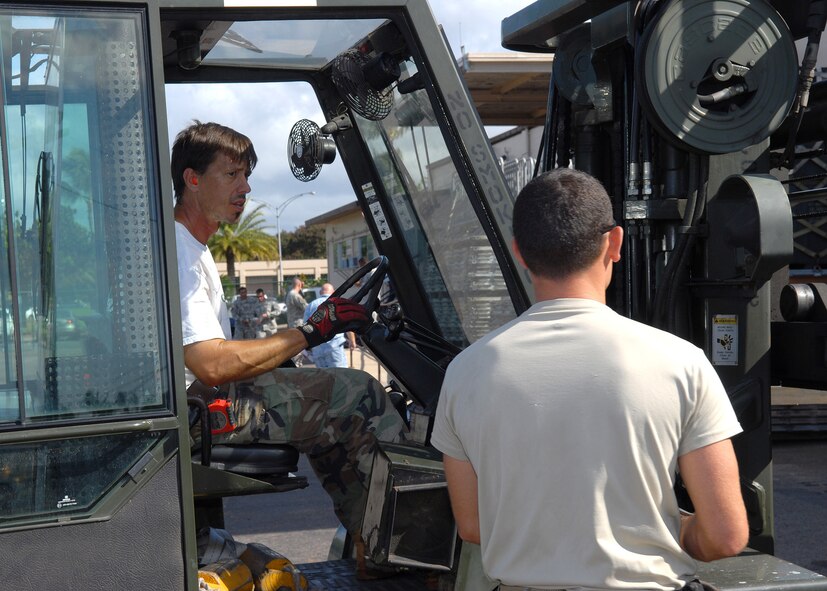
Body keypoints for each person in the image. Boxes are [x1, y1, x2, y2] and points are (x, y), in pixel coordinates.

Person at [431, 168, 748, 590]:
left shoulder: (465, 372)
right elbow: (726, 535)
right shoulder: (681, 363)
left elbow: (473, 525)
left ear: (520, 253)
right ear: (614, 243)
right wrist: (676, 530)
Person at [171, 121, 407, 574]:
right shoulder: (181, 252)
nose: (246, 187)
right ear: (192, 178)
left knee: (329, 406)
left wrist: (291, 350)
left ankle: (369, 544)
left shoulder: (194, 246)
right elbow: (210, 363)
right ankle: (401, 545)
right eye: (232, 174)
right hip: (199, 411)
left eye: (248, 175)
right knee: (360, 393)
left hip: (201, 404)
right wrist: (307, 333)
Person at [303, 283, 358, 368]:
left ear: (321, 292)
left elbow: (305, 327)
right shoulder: (338, 304)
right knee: (340, 376)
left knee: (323, 378)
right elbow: (347, 325)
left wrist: (306, 349)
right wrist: (352, 341)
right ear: (333, 292)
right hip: (334, 346)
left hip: (317, 348)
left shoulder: (311, 305)